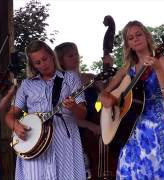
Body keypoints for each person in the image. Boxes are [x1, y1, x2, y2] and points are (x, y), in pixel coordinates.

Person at [99, 20, 164, 179]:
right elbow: (104, 94)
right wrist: (105, 99)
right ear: (129, 44)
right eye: (131, 38)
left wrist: (158, 69)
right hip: (129, 132)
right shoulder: (128, 68)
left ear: (146, 36)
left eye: (139, 34)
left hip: (154, 130)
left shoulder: (161, 60)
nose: (136, 39)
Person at [5, 40, 87, 180]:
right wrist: (15, 125)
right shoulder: (26, 85)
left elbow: (82, 114)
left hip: (64, 139)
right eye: (37, 62)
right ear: (32, 65)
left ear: (51, 55)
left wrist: (73, 106)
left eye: (45, 59)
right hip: (34, 141)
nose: (43, 64)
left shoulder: (70, 78)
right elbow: (10, 115)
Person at [54, 42, 102, 179]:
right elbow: (66, 114)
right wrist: (90, 126)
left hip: (96, 126)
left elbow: (109, 94)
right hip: (75, 130)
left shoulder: (91, 77)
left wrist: (107, 65)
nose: (75, 58)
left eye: (76, 54)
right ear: (61, 60)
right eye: (70, 56)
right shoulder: (60, 83)